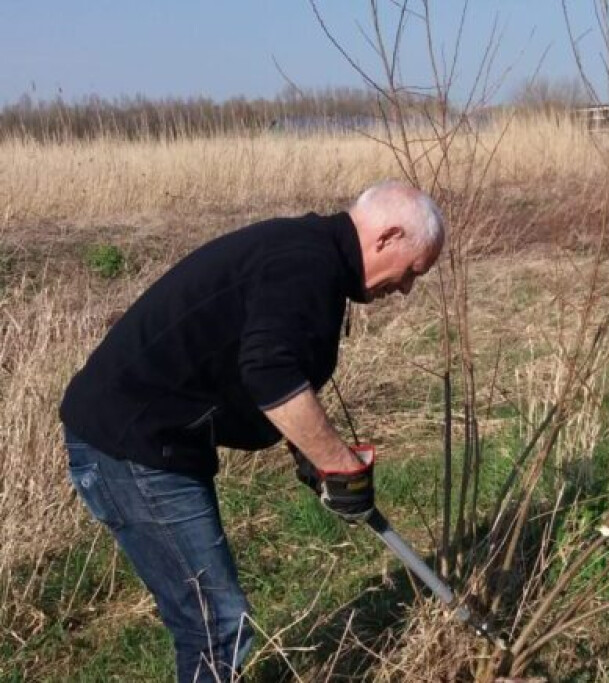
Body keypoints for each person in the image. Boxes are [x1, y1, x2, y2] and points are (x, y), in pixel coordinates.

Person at [59, 180, 445, 682]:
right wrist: (340, 465)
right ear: (389, 236)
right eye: (412, 270)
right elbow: (271, 373)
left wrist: (310, 453)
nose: (407, 288)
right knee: (216, 623)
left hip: (152, 439)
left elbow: (257, 363)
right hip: (130, 446)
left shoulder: (311, 253)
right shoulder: (307, 264)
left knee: (213, 620)